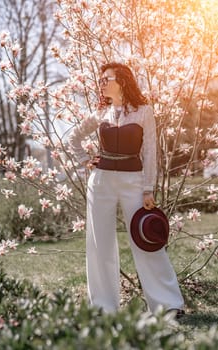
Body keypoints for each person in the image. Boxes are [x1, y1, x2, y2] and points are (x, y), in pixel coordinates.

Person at [68, 62, 184, 315]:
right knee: (100, 244)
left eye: (105, 79)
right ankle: (103, 308)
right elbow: (73, 137)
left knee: (146, 239)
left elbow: (151, 152)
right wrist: (85, 161)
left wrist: (148, 188)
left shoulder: (144, 112)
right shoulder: (101, 114)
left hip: (134, 182)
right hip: (101, 183)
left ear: (121, 80)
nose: (101, 84)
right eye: (100, 80)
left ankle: (168, 305)